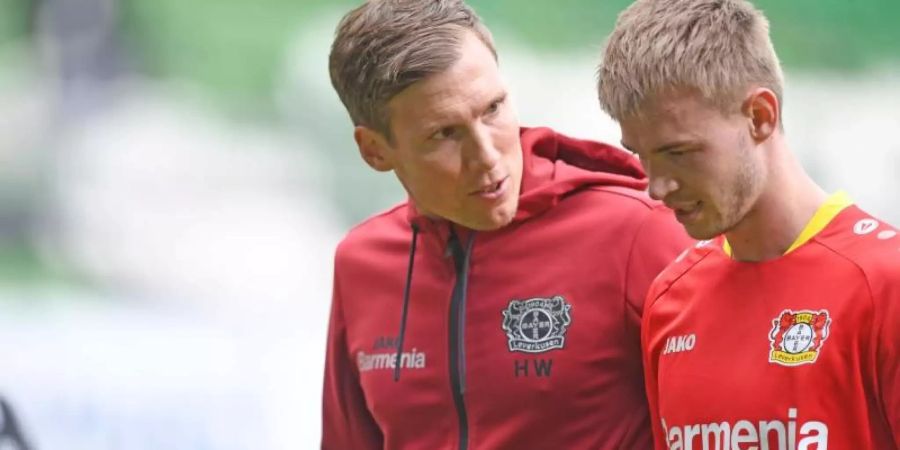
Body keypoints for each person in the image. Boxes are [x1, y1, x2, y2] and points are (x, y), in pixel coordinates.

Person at [322, 1, 692, 448]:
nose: (489, 157)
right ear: (375, 150)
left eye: (493, 109)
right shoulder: (361, 264)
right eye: (444, 134)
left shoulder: (638, 231)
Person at [596, 1, 900, 449]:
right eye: (641, 155)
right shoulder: (668, 299)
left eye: (678, 152)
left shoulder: (884, 284)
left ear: (760, 116)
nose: (656, 186)